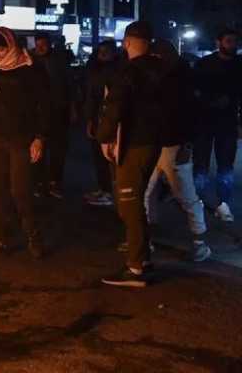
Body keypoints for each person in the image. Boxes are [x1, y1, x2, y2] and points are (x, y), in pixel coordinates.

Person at [0, 27, 48, 258]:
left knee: (20, 191)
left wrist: (39, 137)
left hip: (21, 139)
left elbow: (44, 107)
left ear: (11, 45)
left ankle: (33, 236)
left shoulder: (31, 69)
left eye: (0, 48)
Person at [98, 21, 164, 288]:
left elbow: (115, 106)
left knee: (129, 203)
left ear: (127, 43)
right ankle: (143, 258)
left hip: (134, 143)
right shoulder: (163, 70)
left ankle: (135, 267)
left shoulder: (129, 72)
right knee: (135, 200)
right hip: (154, 142)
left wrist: (104, 137)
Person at [144, 39, 211, 263]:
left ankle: (200, 243)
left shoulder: (182, 78)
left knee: (185, 196)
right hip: (158, 143)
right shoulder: (163, 76)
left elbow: (195, 114)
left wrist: (188, 144)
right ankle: (144, 239)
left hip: (173, 144)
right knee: (147, 193)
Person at [192, 28, 242, 223]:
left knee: (226, 167)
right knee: (201, 166)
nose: (233, 45)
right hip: (204, 122)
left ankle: (223, 204)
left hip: (228, 123)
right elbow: (194, 91)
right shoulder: (204, 64)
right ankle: (198, 202)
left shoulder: (239, 65)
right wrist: (211, 101)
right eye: (229, 41)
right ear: (218, 42)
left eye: (235, 41)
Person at [32, 33, 71, 199]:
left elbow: (68, 84)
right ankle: (39, 182)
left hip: (57, 111)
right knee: (39, 148)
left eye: (43, 44)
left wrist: (72, 107)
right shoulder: (31, 60)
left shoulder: (58, 61)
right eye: (38, 45)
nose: (41, 48)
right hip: (38, 112)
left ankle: (54, 182)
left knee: (57, 150)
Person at [83, 40, 120, 207]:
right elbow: (90, 95)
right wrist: (90, 119)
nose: (102, 54)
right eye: (101, 51)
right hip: (97, 118)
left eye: (106, 51)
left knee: (109, 157)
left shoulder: (117, 71)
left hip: (109, 119)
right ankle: (103, 188)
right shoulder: (94, 69)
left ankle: (111, 192)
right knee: (98, 156)